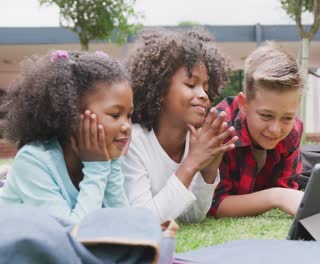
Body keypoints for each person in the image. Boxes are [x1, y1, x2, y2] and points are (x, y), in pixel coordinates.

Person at [0, 50, 132, 223]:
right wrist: (97, 169)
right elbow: (71, 237)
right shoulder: (33, 161)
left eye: (129, 115)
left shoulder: (102, 159)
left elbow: (124, 225)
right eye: (115, 115)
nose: (126, 126)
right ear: (71, 116)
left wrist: (112, 164)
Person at [122, 29, 236, 223]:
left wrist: (207, 172)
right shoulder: (133, 142)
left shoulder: (192, 140)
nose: (204, 95)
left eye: (206, 87)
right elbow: (142, 221)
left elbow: (192, 217)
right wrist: (191, 163)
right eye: (191, 85)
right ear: (160, 89)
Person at [209, 42, 304, 218]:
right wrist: (276, 197)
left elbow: (288, 189)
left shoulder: (293, 130)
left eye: (287, 118)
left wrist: (283, 194)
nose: (275, 130)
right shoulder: (221, 129)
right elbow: (215, 204)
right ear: (244, 104)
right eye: (266, 116)